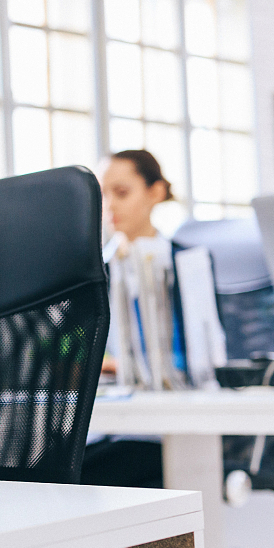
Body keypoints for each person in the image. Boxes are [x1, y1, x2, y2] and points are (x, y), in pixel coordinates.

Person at [80, 149, 173, 488]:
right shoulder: (89, 274)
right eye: (102, 195)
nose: (109, 206)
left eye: (121, 193)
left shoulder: (185, 266)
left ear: (155, 192)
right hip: (104, 425)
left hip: (161, 429)